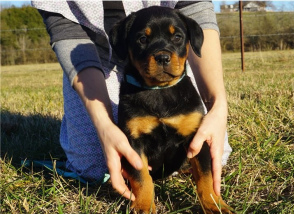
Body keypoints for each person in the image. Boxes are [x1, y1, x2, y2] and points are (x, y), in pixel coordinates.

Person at [32, 1, 231, 201]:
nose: (162, 54)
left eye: (177, 37)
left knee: (217, 154)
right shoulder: (131, 99)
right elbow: (63, 28)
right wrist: (104, 124)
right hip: (94, 53)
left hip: (180, 88)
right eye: (144, 39)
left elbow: (195, 5)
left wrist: (218, 104)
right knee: (95, 168)